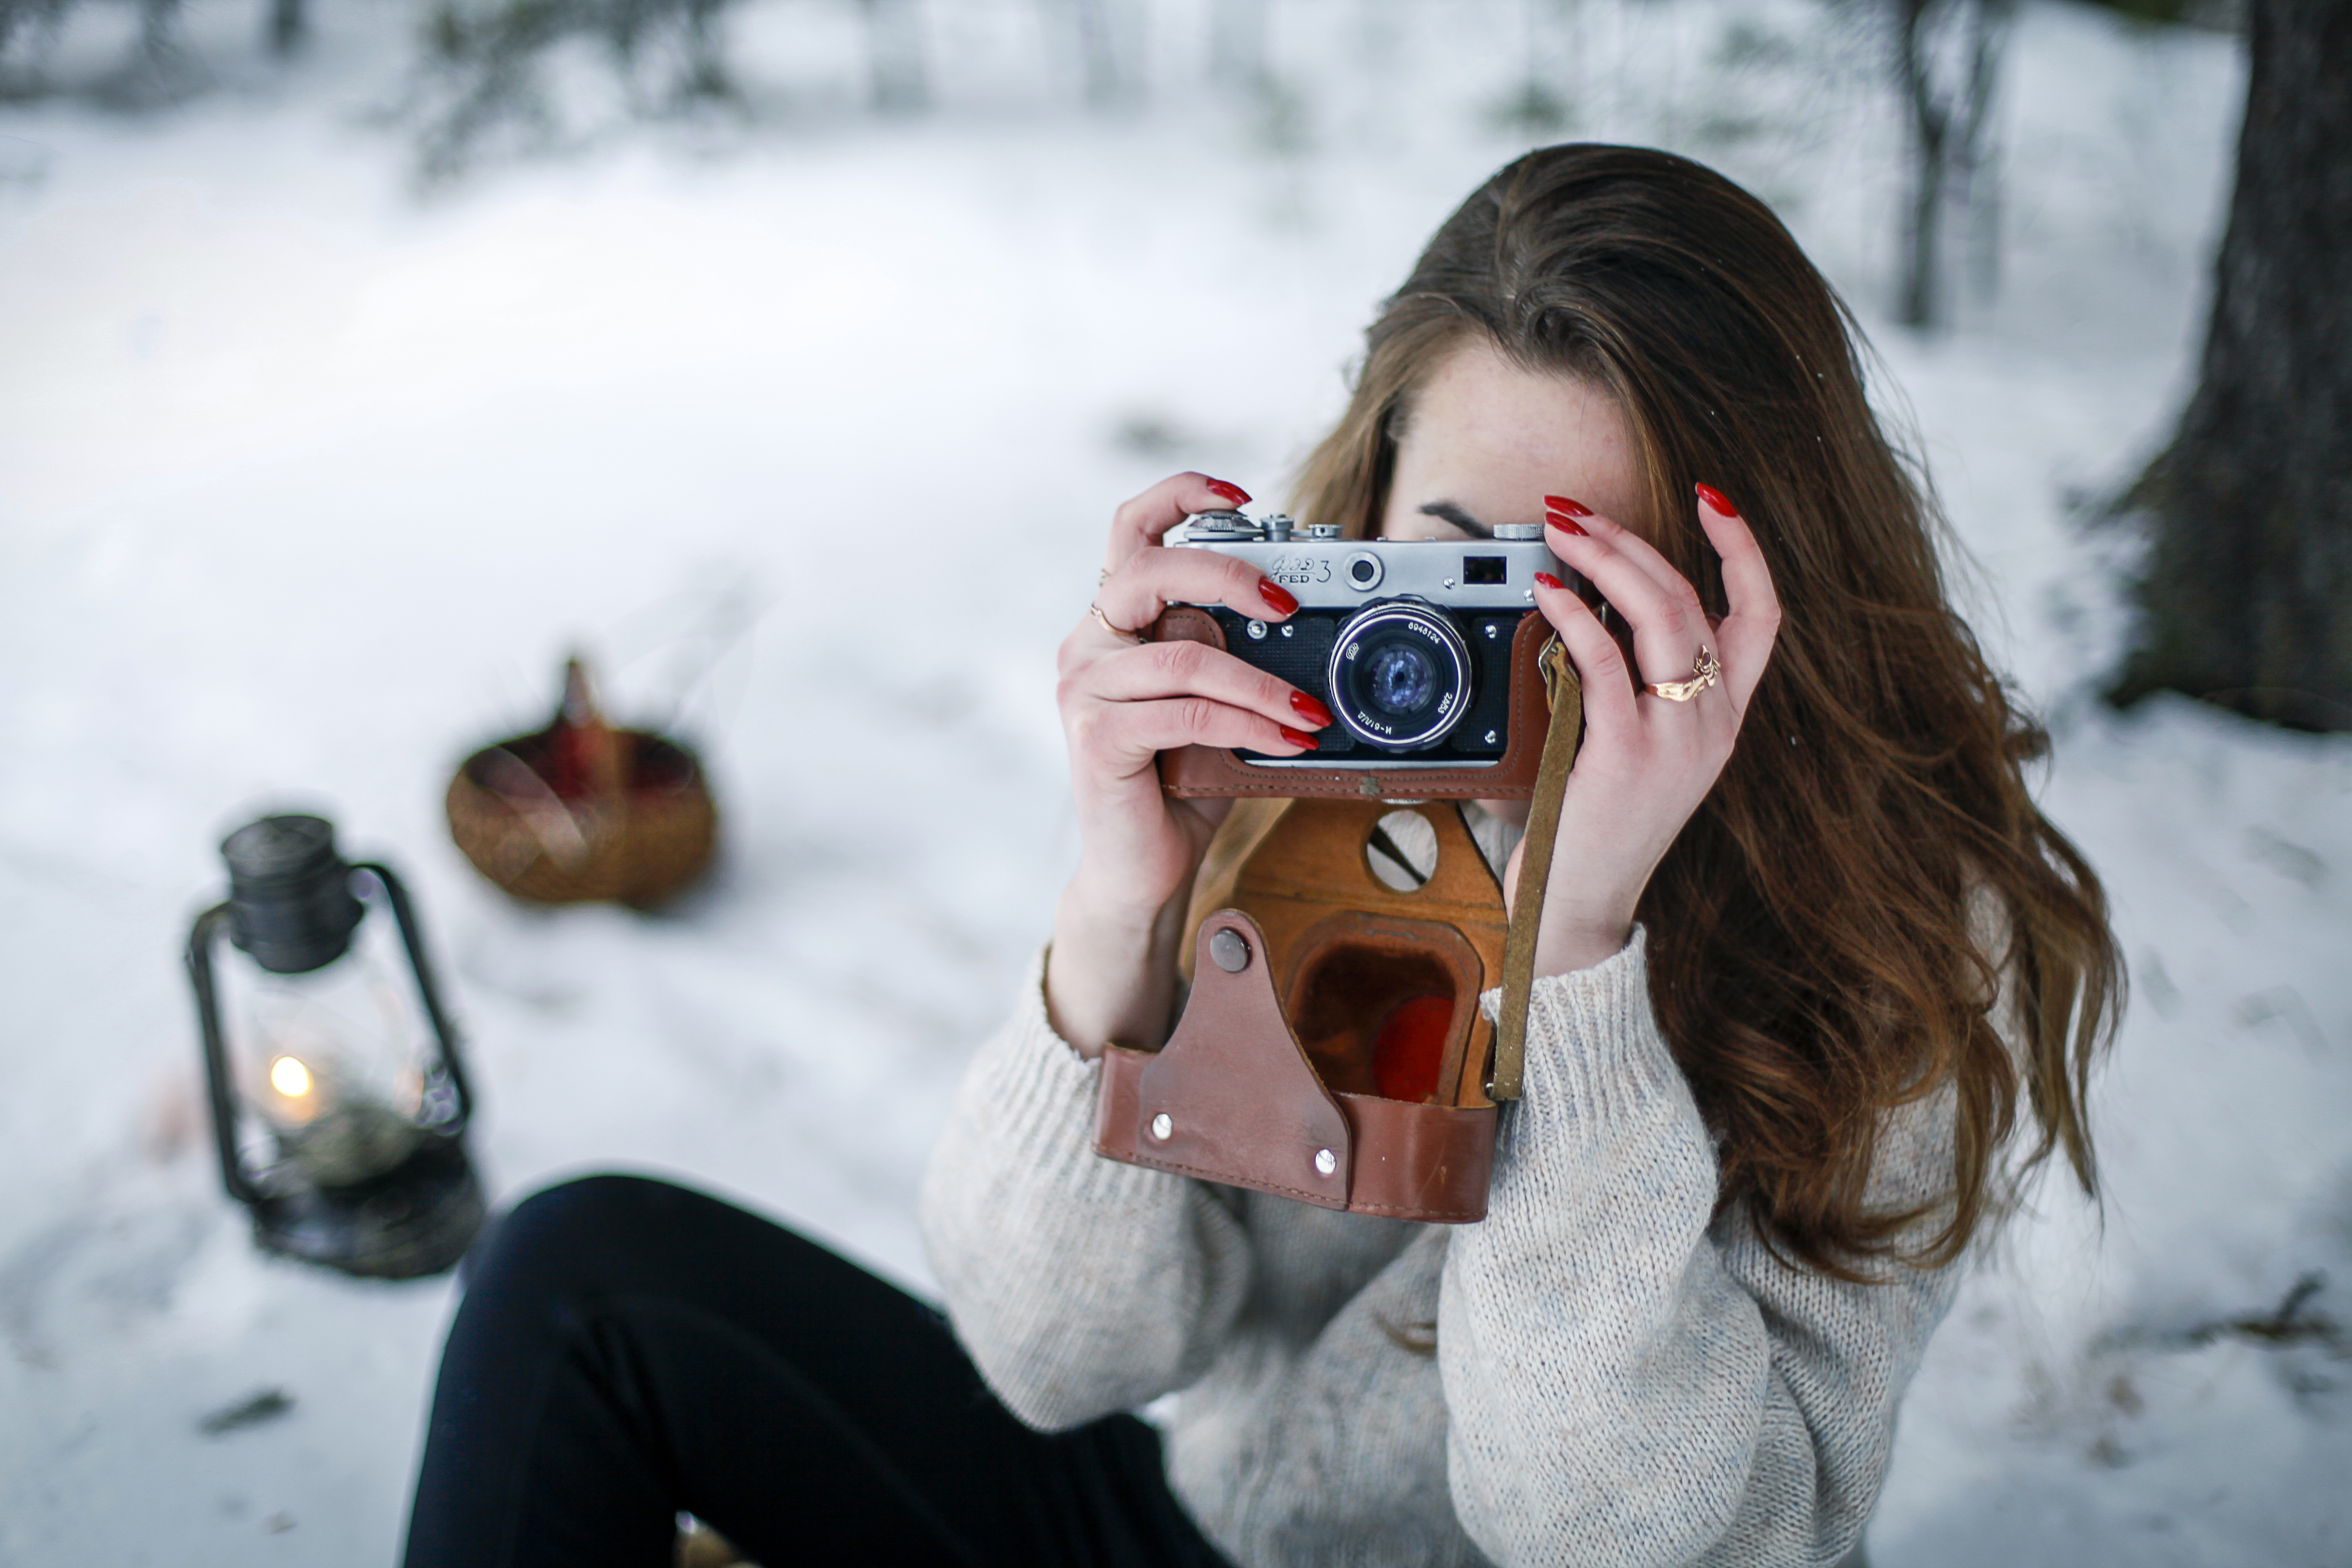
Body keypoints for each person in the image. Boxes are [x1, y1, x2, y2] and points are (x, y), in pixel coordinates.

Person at [401, 144, 2120, 1568]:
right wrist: (1121, 914)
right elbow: (1058, 1359)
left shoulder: (1896, 924)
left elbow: (1624, 1537)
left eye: (1589, 594)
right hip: (1196, 1525)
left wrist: (1585, 947)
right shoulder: (1296, 747)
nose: (1501, 659)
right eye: (1457, 569)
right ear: (1365, 515)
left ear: (1750, 592)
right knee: (578, 1278)